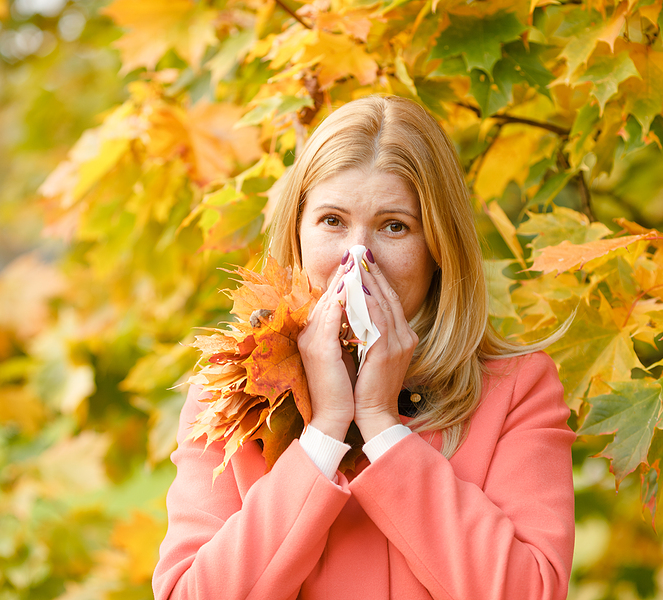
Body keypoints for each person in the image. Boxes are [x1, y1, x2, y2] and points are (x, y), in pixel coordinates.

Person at [152, 95, 575, 600]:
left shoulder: (516, 389)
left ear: (439, 247)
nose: (358, 258)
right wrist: (326, 432)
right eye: (332, 221)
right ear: (298, 231)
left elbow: (528, 592)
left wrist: (379, 422)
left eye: (394, 226)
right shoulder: (228, 393)